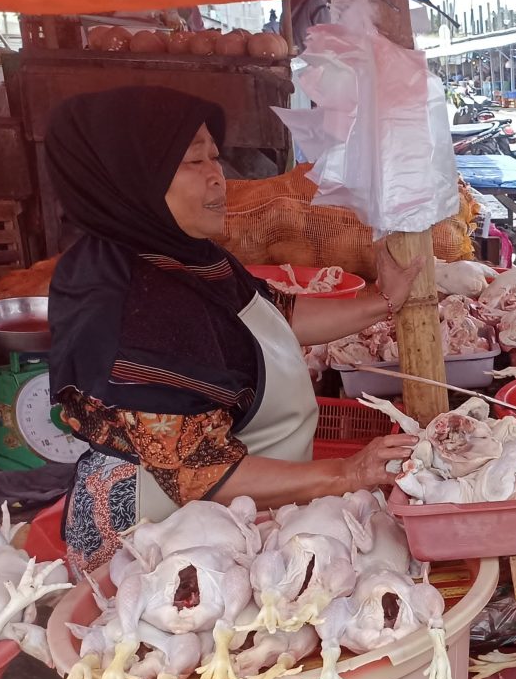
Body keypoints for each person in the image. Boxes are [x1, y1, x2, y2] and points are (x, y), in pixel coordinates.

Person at [47, 86, 422, 577]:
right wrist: (346, 473)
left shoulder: (187, 257)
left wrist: (385, 301)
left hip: (232, 518)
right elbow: (199, 472)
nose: (217, 177)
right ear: (132, 174)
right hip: (153, 549)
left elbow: (274, 318)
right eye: (192, 161)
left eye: (214, 157)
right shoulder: (126, 303)